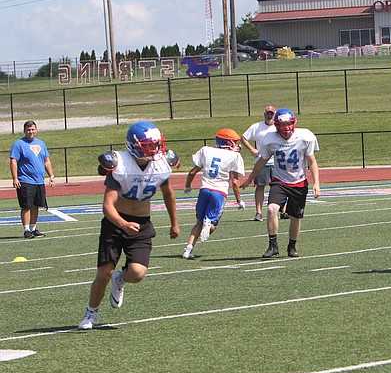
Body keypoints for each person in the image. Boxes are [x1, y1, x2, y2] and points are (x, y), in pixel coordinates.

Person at [79, 122, 181, 330]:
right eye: (148, 145)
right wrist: (123, 224)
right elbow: (108, 205)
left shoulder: (161, 164)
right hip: (116, 222)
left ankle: (120, 279)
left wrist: (174, 223)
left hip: (142, 223)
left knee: (137, 273)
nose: (154, 150)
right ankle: (91, 312)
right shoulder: (120, 165)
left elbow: (168, 194)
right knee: (104, 272)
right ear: (134, 145)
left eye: (155, 144)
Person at [241, 108, 320, 258]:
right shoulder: (269, 138)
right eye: (282, 125)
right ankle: (273, 245)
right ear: (276, 125)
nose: (286, 128)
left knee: (295, 217)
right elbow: (262, 161)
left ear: (294, 122)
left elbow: (312, 161)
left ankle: (292, 246)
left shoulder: (305, 136)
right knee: (271, 209)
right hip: (280, 181)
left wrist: (316, 183)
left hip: (299, 182)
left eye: (289, 124)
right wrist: (250, 178)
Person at [181, 128, 246, 260]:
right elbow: (234, 181)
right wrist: (239, 201)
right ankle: (208, 224)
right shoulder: (234, 156)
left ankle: (188, 250)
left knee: (198, 222)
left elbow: (192, 172)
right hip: (219, 192)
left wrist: (187, 186)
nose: (236, 144)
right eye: (234, 142)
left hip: (204, 190)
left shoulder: (206, 150)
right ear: (227, 142)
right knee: (211, 225)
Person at [9, 120, 56, 238]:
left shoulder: (41, 144)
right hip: (25, 180)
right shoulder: (18, 144)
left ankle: (33, 228)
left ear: (36, 130)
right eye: (28, 130)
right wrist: (15, 178)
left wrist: (51, 175)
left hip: (39, 180)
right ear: (24, 131)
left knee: (36, 205)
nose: (31, 132)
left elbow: (46, 160)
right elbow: (13, 161)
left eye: (33, 129)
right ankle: (26, 230)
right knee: (26, 205)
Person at [239, 105, 281, 221]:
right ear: (264, 114)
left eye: (271, 114)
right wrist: (252, 149)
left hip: (277, 162)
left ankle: (283, 210)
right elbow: (243, 137)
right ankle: (259, 212)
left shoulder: (278, 127)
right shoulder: (257, 127)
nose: (269, 116)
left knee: (280, 186)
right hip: (261, 161)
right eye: (267, 114)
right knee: (260, 186)